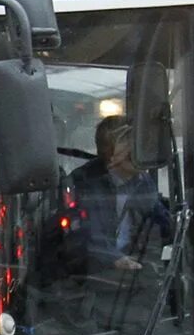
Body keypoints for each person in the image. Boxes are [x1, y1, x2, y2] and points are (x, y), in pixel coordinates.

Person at [70, 115, 171, 277]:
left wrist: (189, 227)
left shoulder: (141, 180)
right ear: (109, 151)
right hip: (94, 272)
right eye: (127, 143)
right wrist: (114, 259)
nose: (137, 149)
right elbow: (90, 235)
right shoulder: (86, 182)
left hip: (129, 260)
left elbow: (159, 216)